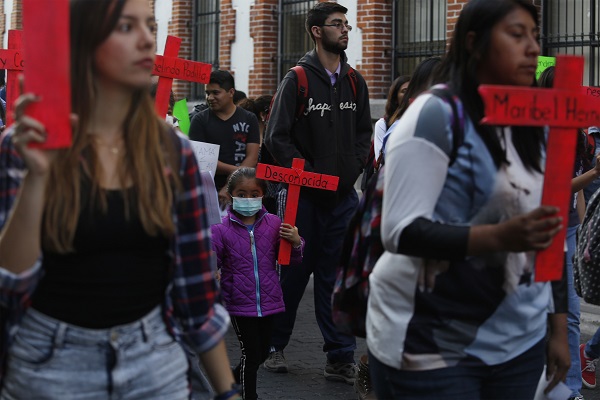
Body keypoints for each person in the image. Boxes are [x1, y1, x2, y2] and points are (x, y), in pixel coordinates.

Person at [0, 0, 240, 399]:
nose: (148, 39)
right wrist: (38, 179)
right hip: (49, 364)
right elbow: (10, 279)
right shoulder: (24, 145)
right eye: (126, 27)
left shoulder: (172, 152)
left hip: (154, 363)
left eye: (150, 24)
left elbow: (195, 292)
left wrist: (227, 393)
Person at [366, 1, 569, 399]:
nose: (533, 47)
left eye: (535, 35)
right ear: (474, 42)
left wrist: (557, 326)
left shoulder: (536, 121)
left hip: (519, 342)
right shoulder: (434, 115)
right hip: (430, 346)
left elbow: (550, 231)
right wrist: (499, 236)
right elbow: (399, 231)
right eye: (516, 34)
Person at [262, 1, 372, 384]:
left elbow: (363, 133)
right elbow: (276, 137)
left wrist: (353, 168)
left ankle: (339, 356)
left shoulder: (356, 81)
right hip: (303, 199)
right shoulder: (297, 79)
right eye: (336, 24)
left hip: (343, 201)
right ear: (316, 31)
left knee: (336, 277)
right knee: (291, 275)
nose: (345, 30)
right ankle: (272, 345)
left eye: (346, 24)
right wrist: (309, 176)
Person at [211, 167, 304, 400]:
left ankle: (234, 378)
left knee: (262, 352)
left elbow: (291, 258)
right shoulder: (221, 230)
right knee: (251, 355)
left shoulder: (274, 224)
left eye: (254, 193)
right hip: (238, 302)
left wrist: (296, 242)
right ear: (231, 195)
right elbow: (212, 259)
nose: (248, 199)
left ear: (263, 194)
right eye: (242, 194)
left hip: (270, 300)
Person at [539, 66, 600, 400]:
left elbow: (574, 193)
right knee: (544, 312)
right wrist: (594, 173)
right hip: (543, 232)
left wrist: (584, 228)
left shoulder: (576, 132)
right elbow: (558, 185)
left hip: (568, 232)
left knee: (570, 314)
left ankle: (570, 388)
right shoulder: (541, 134)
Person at [188, 70, 260, 211]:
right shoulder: (200, 120)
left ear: (231, 92)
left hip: (244, 191)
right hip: (208, 190)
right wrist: (238, 172)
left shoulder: (249, 118)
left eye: (216, 93)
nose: (210, 97)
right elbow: (202, 160)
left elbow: (252, 157)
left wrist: (230, 185)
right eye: (208, 93)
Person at [373, 75, 410, 161]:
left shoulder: (420, 119)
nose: (409, 94)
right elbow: (381, 160)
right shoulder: (383, 124)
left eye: (412, 90)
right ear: (395, 98)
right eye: (404, 91)